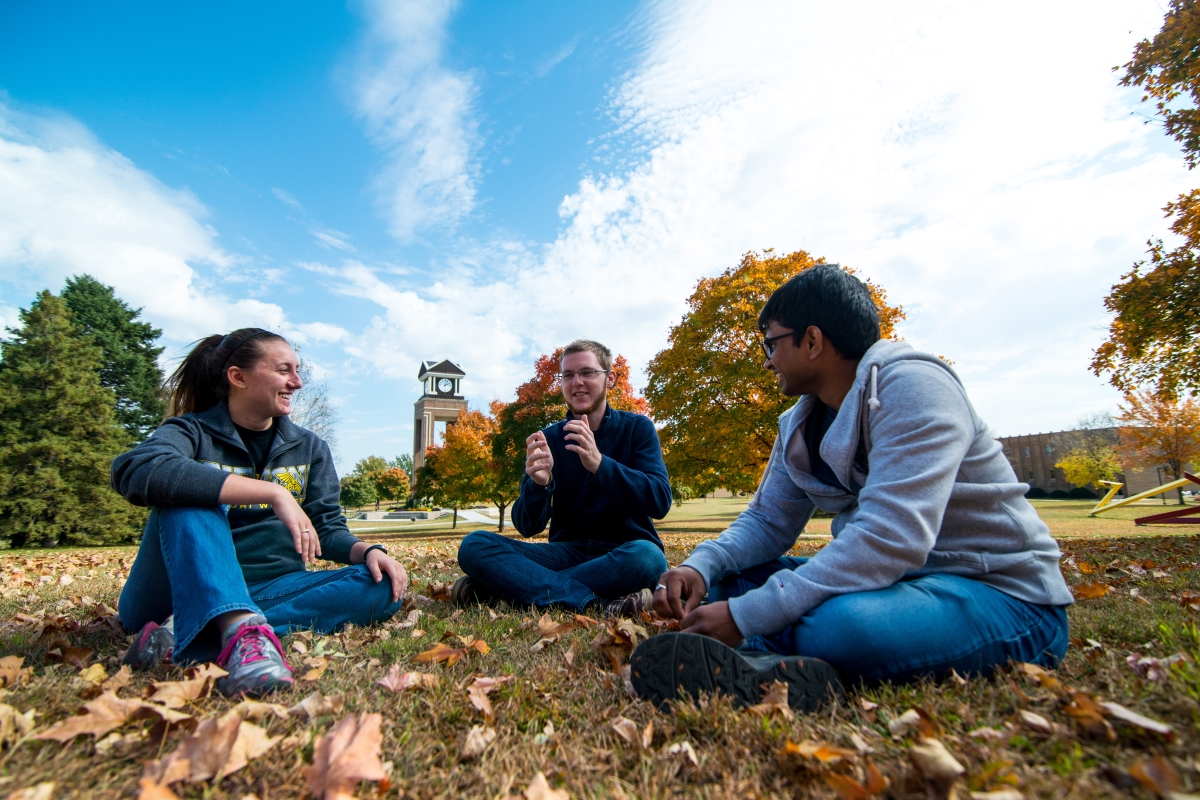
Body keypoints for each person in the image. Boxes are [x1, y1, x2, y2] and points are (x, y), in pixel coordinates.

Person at [631, 266, 1073, 712]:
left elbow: (890, 538)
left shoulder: (914, 386)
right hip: (891, 584)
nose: (767, 360)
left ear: (812, 341)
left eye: (772, 343)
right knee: (729, 581)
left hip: (1001, 594)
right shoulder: (799, 424)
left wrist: (746, 615)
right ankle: (779, 660)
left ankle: (763, 652)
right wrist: (700, 566)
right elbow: (767, 521)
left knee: (841, 625)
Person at [112, 328, 408, 697]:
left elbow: (326, 527)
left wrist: (368, 551)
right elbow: (137, 468)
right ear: (238, 377)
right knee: (192, 491)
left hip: (273, 586)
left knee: (381, 586)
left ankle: (190, 630)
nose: (297, 382)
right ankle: (233, 628)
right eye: (284, 371)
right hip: (169, 592)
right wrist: (273, 492)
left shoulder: (309, 447)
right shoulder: (192, 432)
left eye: (297, 371)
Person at [453, 339, 671, 616]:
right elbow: (527, 526)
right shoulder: (549, 439)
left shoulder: (637, 428)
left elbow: (659, 500)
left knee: (649, 558)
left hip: (625, 551)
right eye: (568, 375)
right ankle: (594, 603)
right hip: (565, 553)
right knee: (474, 545)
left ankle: (504, 590)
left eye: (587, 372)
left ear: (610, 378)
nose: (576, 382)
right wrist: (539, 485)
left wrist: (599, 464)